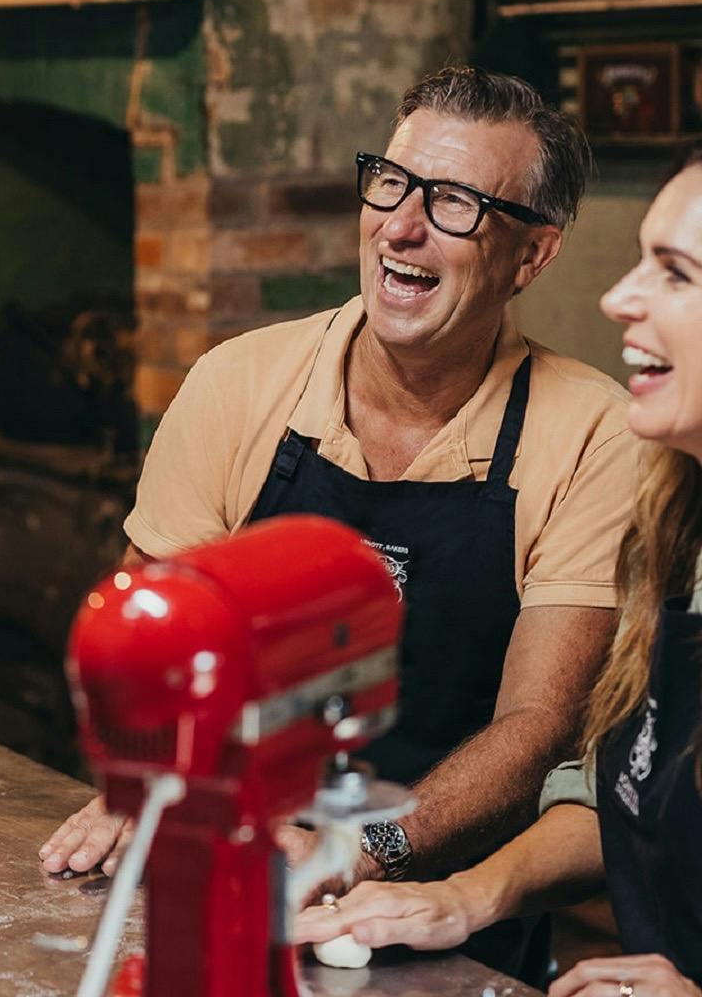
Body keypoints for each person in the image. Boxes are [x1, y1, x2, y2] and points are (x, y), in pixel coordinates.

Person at [294, 130, 702, 997]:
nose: (617, 299)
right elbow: (621, 785)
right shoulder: (688, 530)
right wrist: (460, 900)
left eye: (674, 273)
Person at [41, 65, 637, 980]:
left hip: (438, 913)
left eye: (454, 203)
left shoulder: (592, 434)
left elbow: (538, 722)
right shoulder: (239, 383)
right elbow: (153, 645)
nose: (400, 225)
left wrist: (358, 854)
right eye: (391, 182)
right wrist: (153, 784)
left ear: (533, 256)